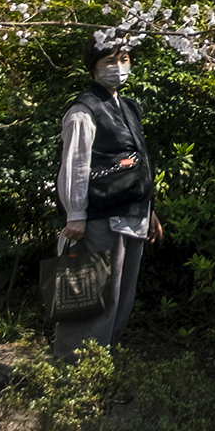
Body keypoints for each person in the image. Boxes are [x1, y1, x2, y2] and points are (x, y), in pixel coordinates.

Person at [55, 35, 161, 360]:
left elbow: (138, 161)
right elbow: (76, 163)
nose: (119, 67)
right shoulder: (83, 110)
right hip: (99, 218)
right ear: (94, 67)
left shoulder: (127, 107)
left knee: (120, 298)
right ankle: (74, 369)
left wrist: (149, 210)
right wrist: (75, 213)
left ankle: (102, 367)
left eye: (124, 59)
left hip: (132, 214)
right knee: (93, 296)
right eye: (110, 61)